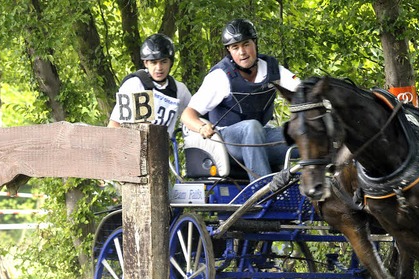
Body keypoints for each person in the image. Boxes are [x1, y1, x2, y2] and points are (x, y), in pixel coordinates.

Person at [180, 19, 301, 181]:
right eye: (235, 47)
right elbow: (187, 115)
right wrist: (202, 127)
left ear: (255, 43)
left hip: (262, 137)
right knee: (251, 127)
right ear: (229, 51)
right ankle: (263, 194)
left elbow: (303, 91)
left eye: (246, 44)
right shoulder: (220, 77)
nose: (242, 52)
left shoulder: (272, 70)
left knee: (308, 134)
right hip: (227, 143)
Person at [108, 33, 191, 138]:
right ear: (146, 63)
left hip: (161, 150)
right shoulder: (134, 85)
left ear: (170, 62)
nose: (159, 68)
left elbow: (194, 115)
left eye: (163, 62)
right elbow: (114, 125)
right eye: (153, 62)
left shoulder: (179, 90)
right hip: (131, 147)